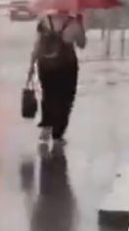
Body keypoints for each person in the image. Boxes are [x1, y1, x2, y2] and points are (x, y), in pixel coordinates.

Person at [28, 10, 87, 143]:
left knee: (48, 95)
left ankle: (47, 126)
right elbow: (82, 44)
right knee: (65, 99)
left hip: (46, 65)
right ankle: (58, 133)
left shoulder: (45, 22)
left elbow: (37, 46)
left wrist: (31, 67)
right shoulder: (74, 23)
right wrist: (80, 27)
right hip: (67, 66)